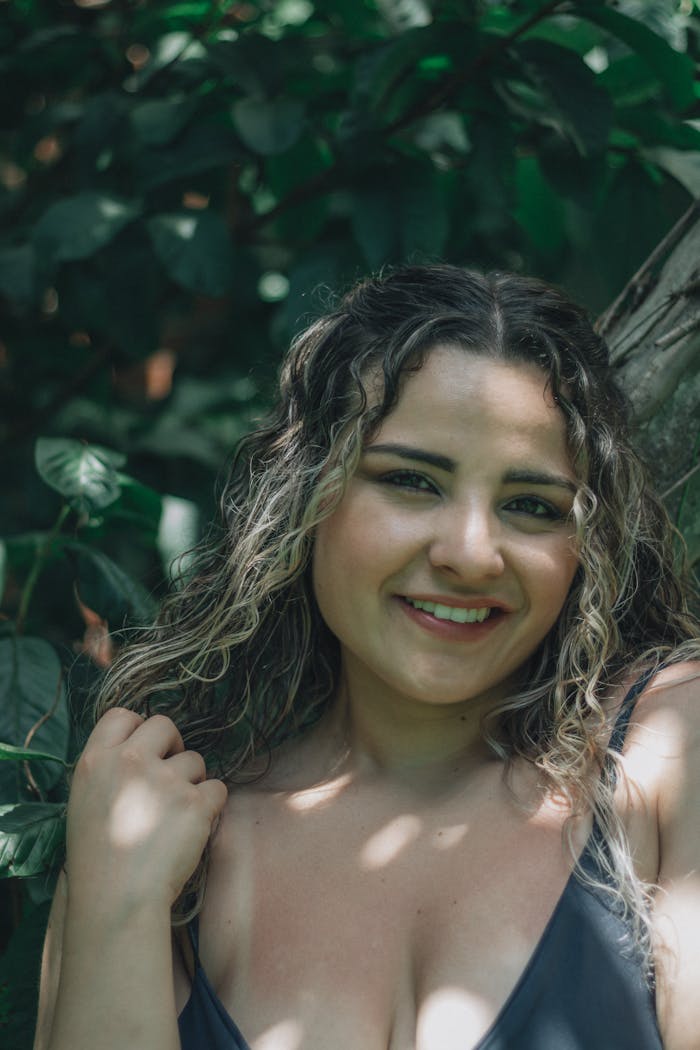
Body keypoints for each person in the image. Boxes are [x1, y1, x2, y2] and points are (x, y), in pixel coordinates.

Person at [34, 266, 700, 1050]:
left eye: (531, 505)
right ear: (306, 499)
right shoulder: (163, 833)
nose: (471, 554)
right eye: (411, 481)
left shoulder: (666, 751)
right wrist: (121, 901)